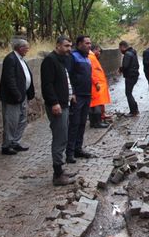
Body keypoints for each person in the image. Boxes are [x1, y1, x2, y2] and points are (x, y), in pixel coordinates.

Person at [41, 35, 76, 186]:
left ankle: (61, 170)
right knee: (60, 138)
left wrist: (71, 94)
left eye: (70, 46)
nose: (69, 49)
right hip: (58, 106)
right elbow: (47, 85)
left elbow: (65, 80)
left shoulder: (62, 60)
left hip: (65, 103)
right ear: (58, 45)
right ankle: (57, 175)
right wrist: (54, 103)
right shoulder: (50, 60)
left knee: (63, 136)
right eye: (67, 46)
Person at [0, 38, 35, 155]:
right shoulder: (10, 59)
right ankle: (7, 145)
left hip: (22, 95)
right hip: (13, 97)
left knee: (22, 120)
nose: (28, 50)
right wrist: (17, 94)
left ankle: (15, 142)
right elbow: (9, 79)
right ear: (20, 48)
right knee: (11, 121)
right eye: (26, 48)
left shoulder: (21, 59)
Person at [66, 35, 96, 163]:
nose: (89, 45)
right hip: (77, 96)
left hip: (86, 95)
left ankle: (78, 149)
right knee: (74, 124)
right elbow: (68, 76)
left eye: (90, 43)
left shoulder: (87, 58)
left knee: (82, 123)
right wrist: (72, 93)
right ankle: (70, 153)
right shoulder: (73, 57)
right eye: (86, 43)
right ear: (79, 44)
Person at [88, 44, 111, 129]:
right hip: (96, 86)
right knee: (97, 104)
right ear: (94, 50)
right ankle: (97, 122)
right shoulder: (91, 58)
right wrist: (97, 83)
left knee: (93, 104)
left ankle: (94, 122)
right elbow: (92, 72)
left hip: (95, 85)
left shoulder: (91, 57)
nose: (99, 53)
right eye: (98, 50)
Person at [118, 41, 140, 117]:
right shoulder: (133, 52)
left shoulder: (127, 54)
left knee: (128, 93)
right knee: (129, 93)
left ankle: (133, 111)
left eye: (120, 48)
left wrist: (120, 69)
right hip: (134, 75)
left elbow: (125, 66)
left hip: (130, 76)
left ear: (122, 47)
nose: (120, 50)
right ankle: (135, 110)